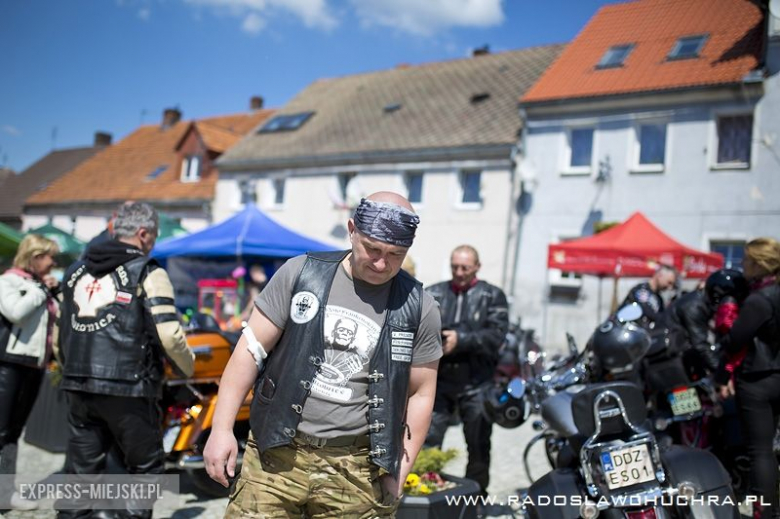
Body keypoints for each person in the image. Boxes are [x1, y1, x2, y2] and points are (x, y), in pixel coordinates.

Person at [203, 192, 442, 518]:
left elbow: (421, 393)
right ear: (351, 230)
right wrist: (221, 429)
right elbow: (249, 352)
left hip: (357, 468)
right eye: (372, 249)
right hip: (275, 456)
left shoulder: (419, 306)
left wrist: (401, 466)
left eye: (395, 254)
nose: (382, 263)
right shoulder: (301, 273)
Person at [56, 202, 194, 518]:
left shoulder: (74, 271)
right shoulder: (148, 270)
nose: (154, 243)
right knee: (146, 469)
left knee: (81, 472)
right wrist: (187, 368)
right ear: (143, 234)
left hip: (78, 383)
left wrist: (69, 368)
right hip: (129, 386)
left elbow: (59, 333)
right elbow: (170, 334)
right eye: (154, 236)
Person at [424, 245, 509, 495]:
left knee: (479, 444)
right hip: (440, 382)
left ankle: (475, 497)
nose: (459, 272)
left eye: (465, 267)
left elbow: (496, 336)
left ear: (477, 267)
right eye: (454, 266)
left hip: (477, 384)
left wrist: (461, 339)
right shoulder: (434, 293)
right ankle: (423, 490)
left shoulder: (492, 295)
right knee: (428, 440)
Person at [716, 238, 780, 519]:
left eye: (746, 260)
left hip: (757, 379)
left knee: (761, 452)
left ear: (759, 263)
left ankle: (764, 513)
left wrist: (723, 323)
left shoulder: (758, 300)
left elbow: (734, 340)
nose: (742, 265)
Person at [0, 234, 60, 510]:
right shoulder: (9, 281)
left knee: (13, 431)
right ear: (35, 257)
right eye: (49, 257)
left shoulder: (40, 286)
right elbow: (16, 312)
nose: (53, 263)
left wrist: (52, 292)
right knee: (2, 429)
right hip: (9, 365)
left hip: (33, 366)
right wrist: (39, 291)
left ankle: (4, 491)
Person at [664, 268, 748, 379]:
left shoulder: (701, 302)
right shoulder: (694, 306)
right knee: (691, 392)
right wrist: (723, 372)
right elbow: (699, 344)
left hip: (678, 354)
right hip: (670, 359)